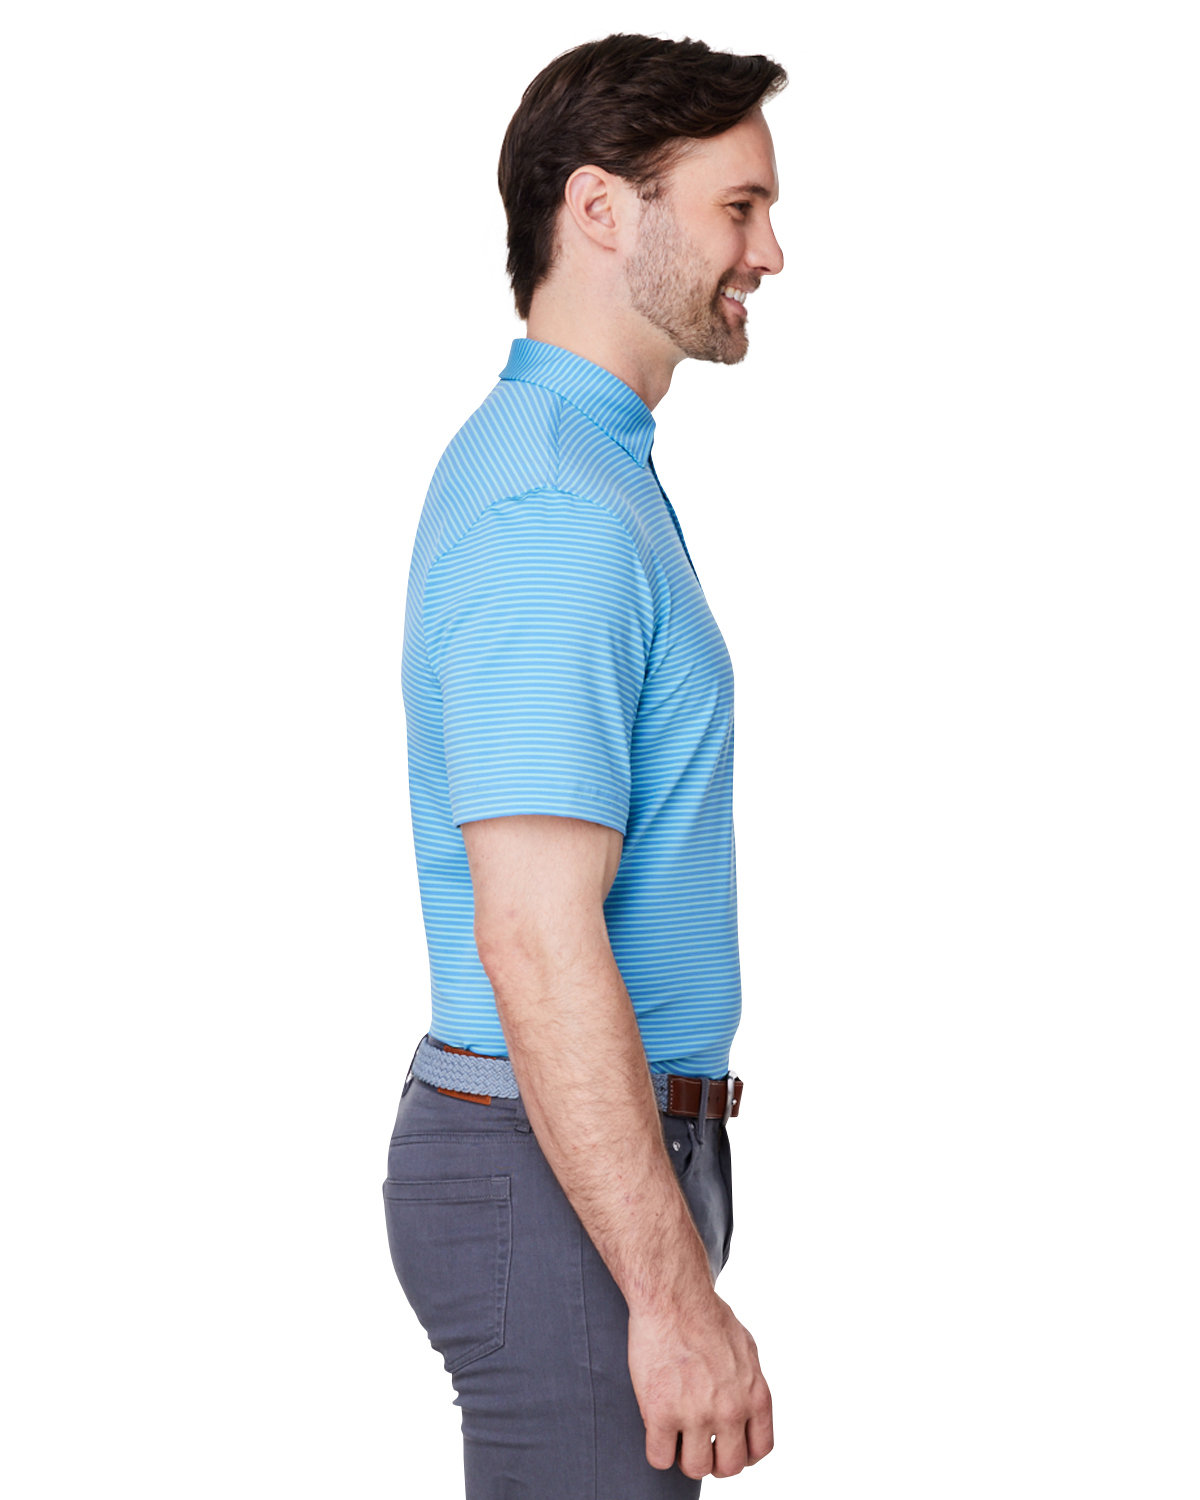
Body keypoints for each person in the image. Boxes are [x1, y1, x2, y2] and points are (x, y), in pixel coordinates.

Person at [382, 32, 787, 1498]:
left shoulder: (583, 464)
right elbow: (535, 931)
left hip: (564, 1160)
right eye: (739, 207)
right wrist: (672, 1301)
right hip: (549, 1168)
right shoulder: (553, 502)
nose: (771, 253)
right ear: (603, 207)